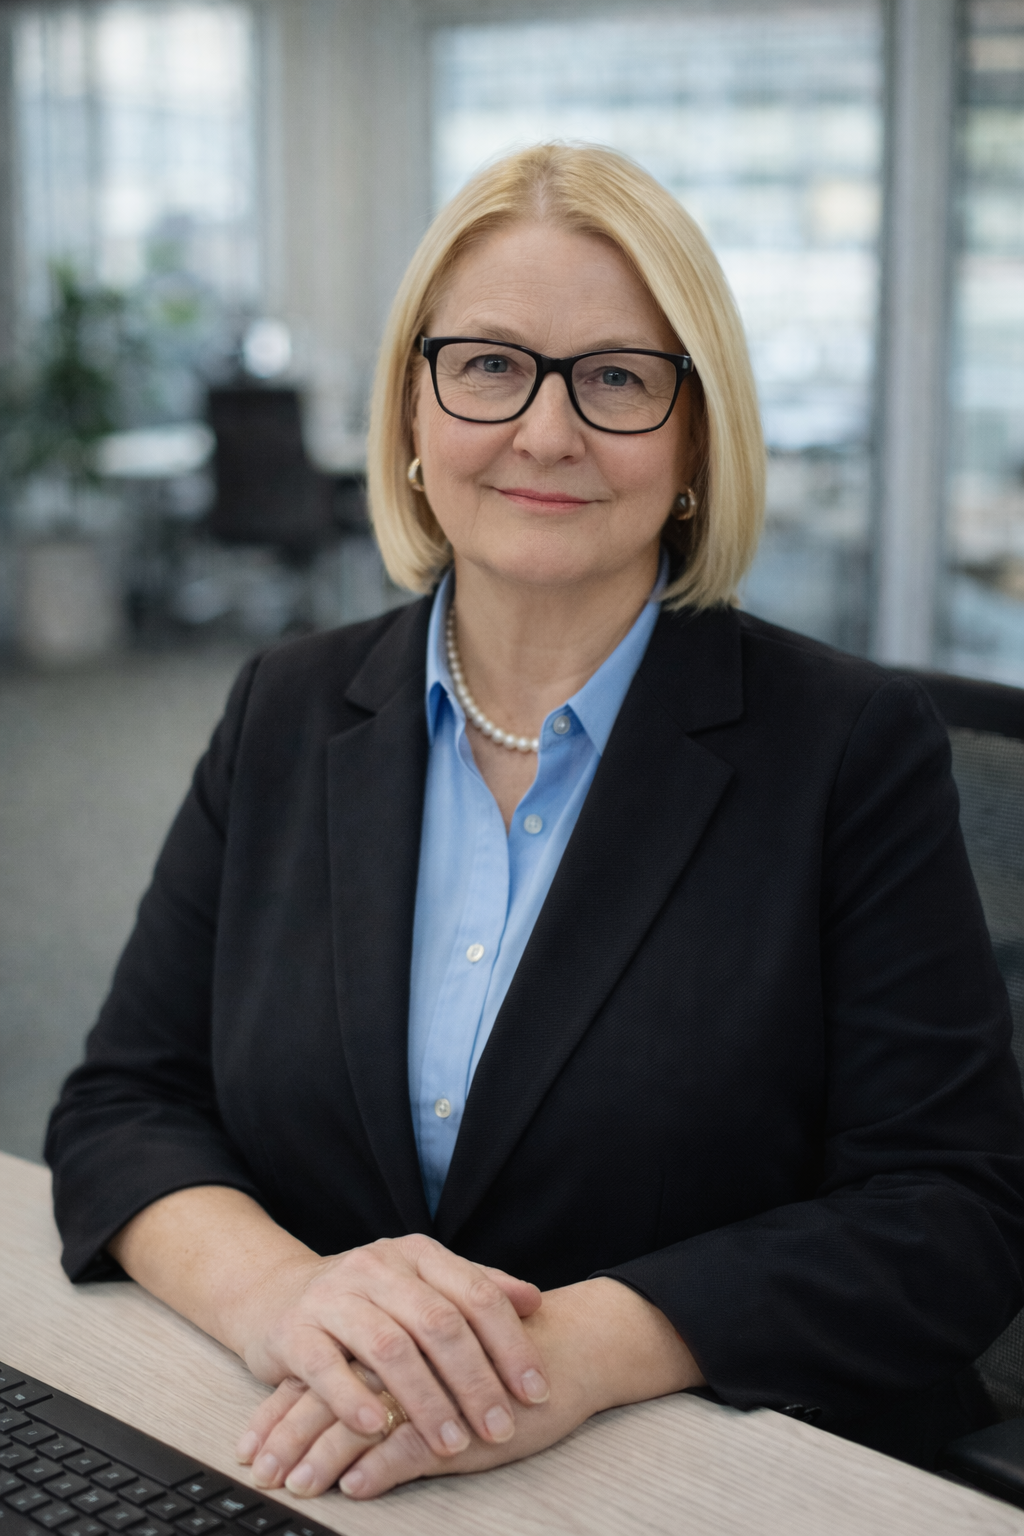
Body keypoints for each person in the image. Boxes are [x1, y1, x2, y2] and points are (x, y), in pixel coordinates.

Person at [47, 143, 1024, 1502]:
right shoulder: (289, 705)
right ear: (411, 410)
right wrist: (283, 1301)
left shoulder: (849, 750)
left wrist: (573, 1349)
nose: (545, 431)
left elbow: (951, 1213)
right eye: (491, 365)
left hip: (704, 1480)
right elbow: (125, 1103)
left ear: (695, 436)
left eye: (617, 378)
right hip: (312, 1458)